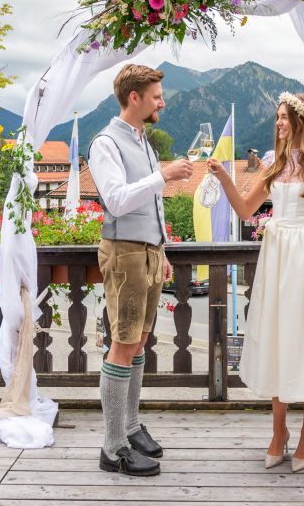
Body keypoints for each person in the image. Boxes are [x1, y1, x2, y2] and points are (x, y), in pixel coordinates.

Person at [207, 92, 304, 472]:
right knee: (277, 340)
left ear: (302, 121)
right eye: (277, 117)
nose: (279, 123)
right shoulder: (273, 163)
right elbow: (244, 209)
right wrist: (225, 176)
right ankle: (278, 432)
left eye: (284, 117)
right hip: (275, 259)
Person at [89, 64, 193, 476]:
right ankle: (112, 448)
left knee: (140, 340)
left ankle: (130, 427)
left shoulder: (142, 140)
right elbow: (115, 200)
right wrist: (162, 174)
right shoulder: (105, 143)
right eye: (156, 96)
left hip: (148, 252)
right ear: (134, 98)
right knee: (123, 343)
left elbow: (154, 203)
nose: (162, 102)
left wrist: (162, 249)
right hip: (124, 252)